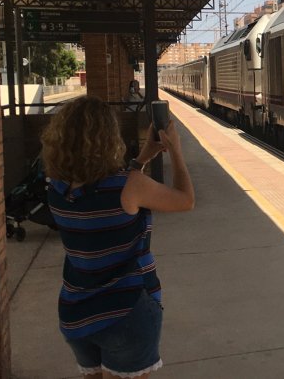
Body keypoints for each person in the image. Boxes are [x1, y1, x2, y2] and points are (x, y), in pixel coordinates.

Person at [41, 96, 195, 378]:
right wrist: (176, 151)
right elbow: (185, 200)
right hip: (125, 312)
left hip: (76, 313)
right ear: (108, 137)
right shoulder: (129, 186)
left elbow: (103, 189)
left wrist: (143, 157)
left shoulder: (57, 188)